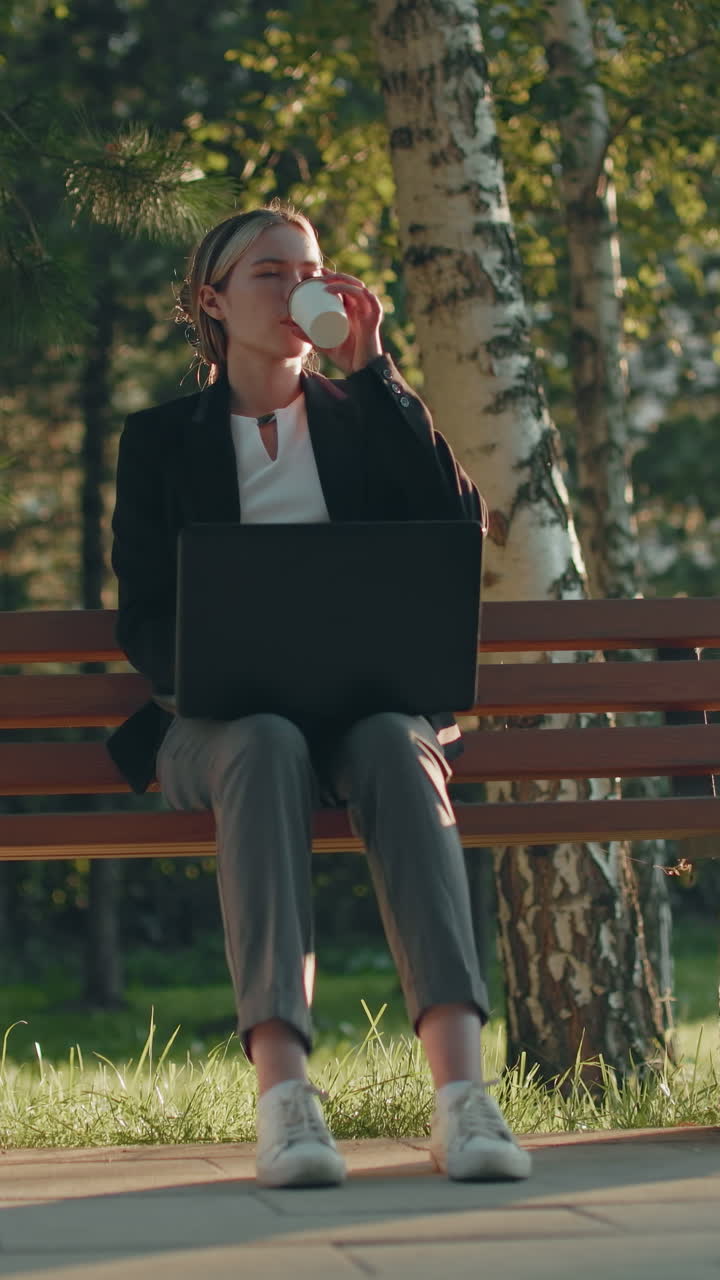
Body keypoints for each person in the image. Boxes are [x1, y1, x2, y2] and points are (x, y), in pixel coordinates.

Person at [108, 202, 531, 1189]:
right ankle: (285, 1099)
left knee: (393, 738)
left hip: (365, 713)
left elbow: (453, 524)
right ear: (213, 301)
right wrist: (219, 662)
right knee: (262, 740)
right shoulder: (162, 441)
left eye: (314, 267)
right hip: (215, 724)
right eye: (270, 271)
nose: (303, 286)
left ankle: (463, 1096)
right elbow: (144, 617)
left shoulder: (366, 416)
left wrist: (378, 369)